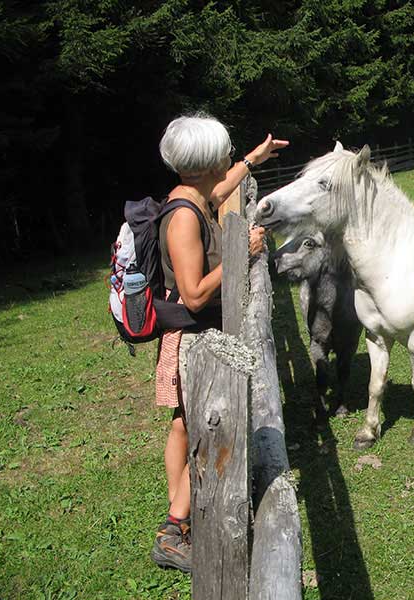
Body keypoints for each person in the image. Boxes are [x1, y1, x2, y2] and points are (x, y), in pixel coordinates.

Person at [150, 113, 288, 573]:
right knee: (201, 428)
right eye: (225, 151)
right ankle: (174, 531)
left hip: (187, 337)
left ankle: (179, 518)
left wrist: (257, 156)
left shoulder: (190, 195)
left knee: (183, 425)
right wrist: (239, 253)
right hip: (191, 341)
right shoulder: (184, 217)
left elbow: (221, 187)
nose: (229, 156)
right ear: (208, 159)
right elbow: (192, 293)